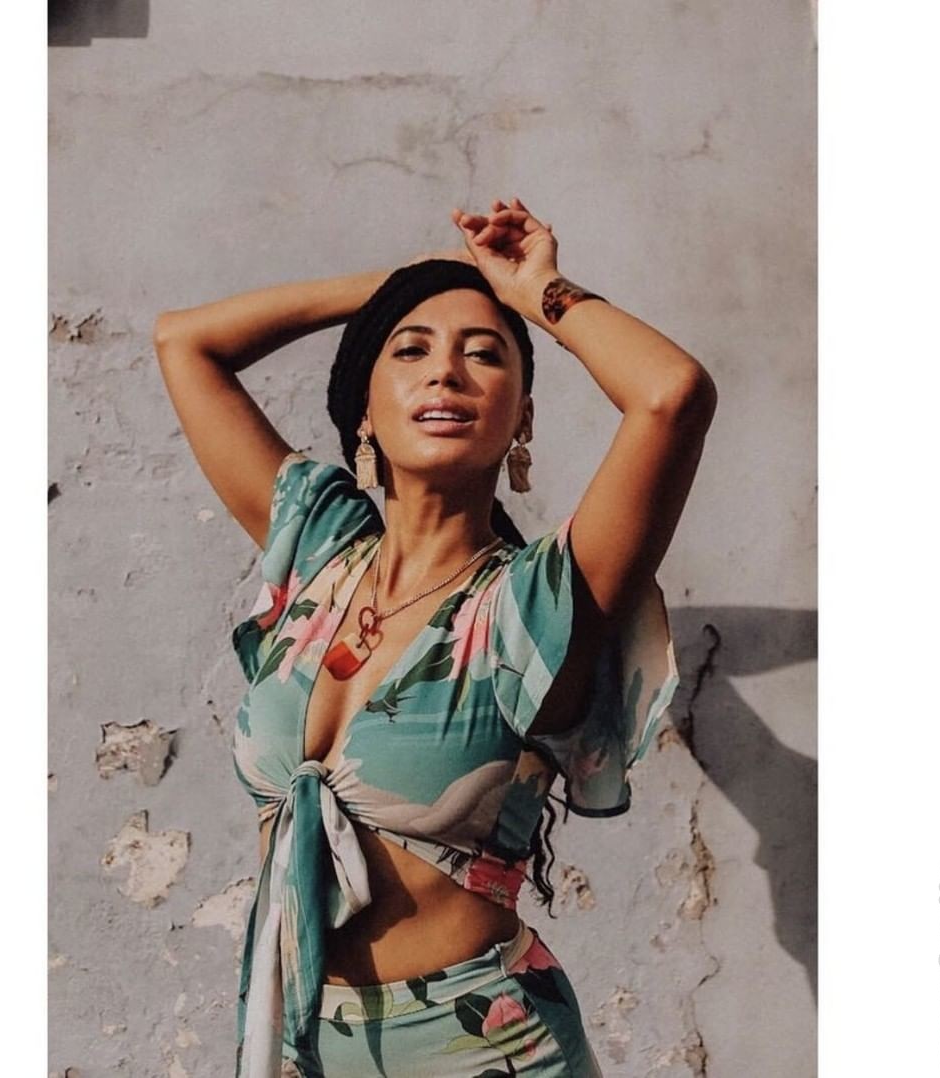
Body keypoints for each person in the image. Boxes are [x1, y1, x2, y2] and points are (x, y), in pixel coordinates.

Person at [154, 197, 716, 1077]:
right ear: (365, 408)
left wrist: (533, 292)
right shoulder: (319, 553)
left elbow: (670, 394)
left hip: (483, 1045)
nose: (446, 371)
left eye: (484, 354)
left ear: (522, 418)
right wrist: (413, 282)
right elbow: (184, 342)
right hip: (300, 1036)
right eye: (411, 350)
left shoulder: (533, 605)